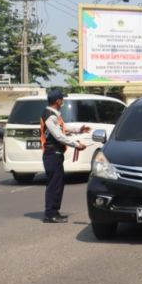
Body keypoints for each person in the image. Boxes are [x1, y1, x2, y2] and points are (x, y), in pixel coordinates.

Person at [40, 89, 87, 223]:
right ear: (57, 101)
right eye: (62, 99)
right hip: (52, 154)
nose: (63, 102)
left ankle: (54, 211)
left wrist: (79, 130)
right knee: (54, 185)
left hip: (55, 154)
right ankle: (50, 214)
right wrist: (76, 144)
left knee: (58, 184)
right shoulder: (50, 116)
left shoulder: (54, 115)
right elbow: (59, 136)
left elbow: (62, 129)